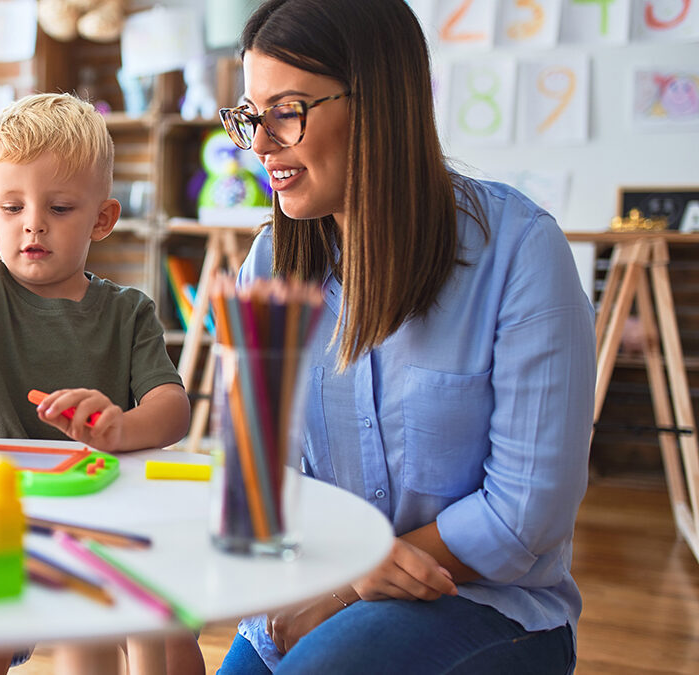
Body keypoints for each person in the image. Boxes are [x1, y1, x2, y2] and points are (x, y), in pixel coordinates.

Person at [214, 1, 596, 673]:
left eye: (286, 112)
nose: (262, 145)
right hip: (313, 588)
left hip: (486, 604)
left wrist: (350, 584)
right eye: (250, 116)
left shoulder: (520, 251)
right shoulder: (267, 265)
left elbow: (525, 514)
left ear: (379, 102)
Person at [0, 92, 202, 675]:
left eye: (59, 207)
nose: (33, 222)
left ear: (102, 219)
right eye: (12, 207)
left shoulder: (129, 311)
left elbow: (172, 407)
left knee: (171, 639)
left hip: (107, 517)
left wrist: (121, 427)